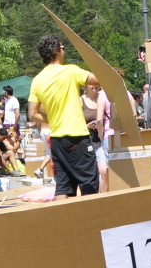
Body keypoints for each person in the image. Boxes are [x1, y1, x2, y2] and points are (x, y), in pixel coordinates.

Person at [28, 35, 99, 200]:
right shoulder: (70, 71)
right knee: (88, 183)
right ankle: (92, 216)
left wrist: (53, 119)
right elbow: (100, 79)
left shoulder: (37, 80)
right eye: (63, 47)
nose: (64, 50)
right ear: (56, 51)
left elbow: (32, 113)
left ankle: (63, 217)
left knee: (63, 186)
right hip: (77, 136)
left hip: (56, 139)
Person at [82, 75, 112, 193]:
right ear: (85, 86)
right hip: (86, 141)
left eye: (96, 83)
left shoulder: (102, 97)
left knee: (104, 171)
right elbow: (74, 123)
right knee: (87, 173)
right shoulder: (81, 100)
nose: (94, 86)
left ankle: (103, 197)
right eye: (91, 83)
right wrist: (87, 126)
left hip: (101, 140)